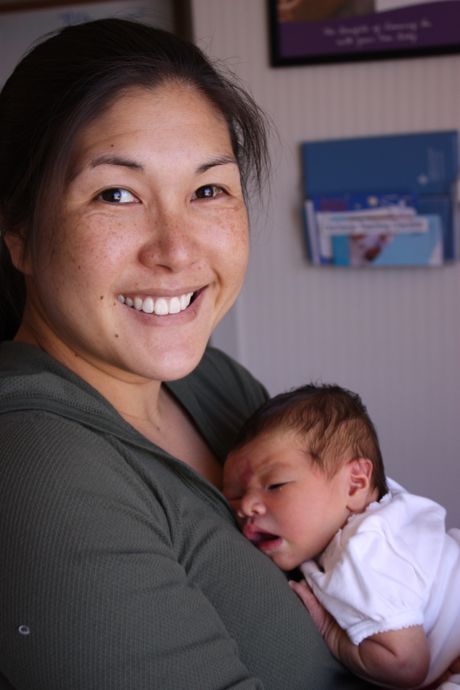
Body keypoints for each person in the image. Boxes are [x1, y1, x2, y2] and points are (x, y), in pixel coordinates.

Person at [0, 18, 377, 690]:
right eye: (116, 195)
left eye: (208, 190)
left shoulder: (207, 381)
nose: (176, 251)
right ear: (19, 233)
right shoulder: (37, 469)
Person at [223, 383, 460, 689]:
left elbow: (406, 664)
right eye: (234, 496)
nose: (246, 506)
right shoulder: (383, 516)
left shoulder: (360, 551)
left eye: (275, 485)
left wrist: (331, 634)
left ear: (355, 484)